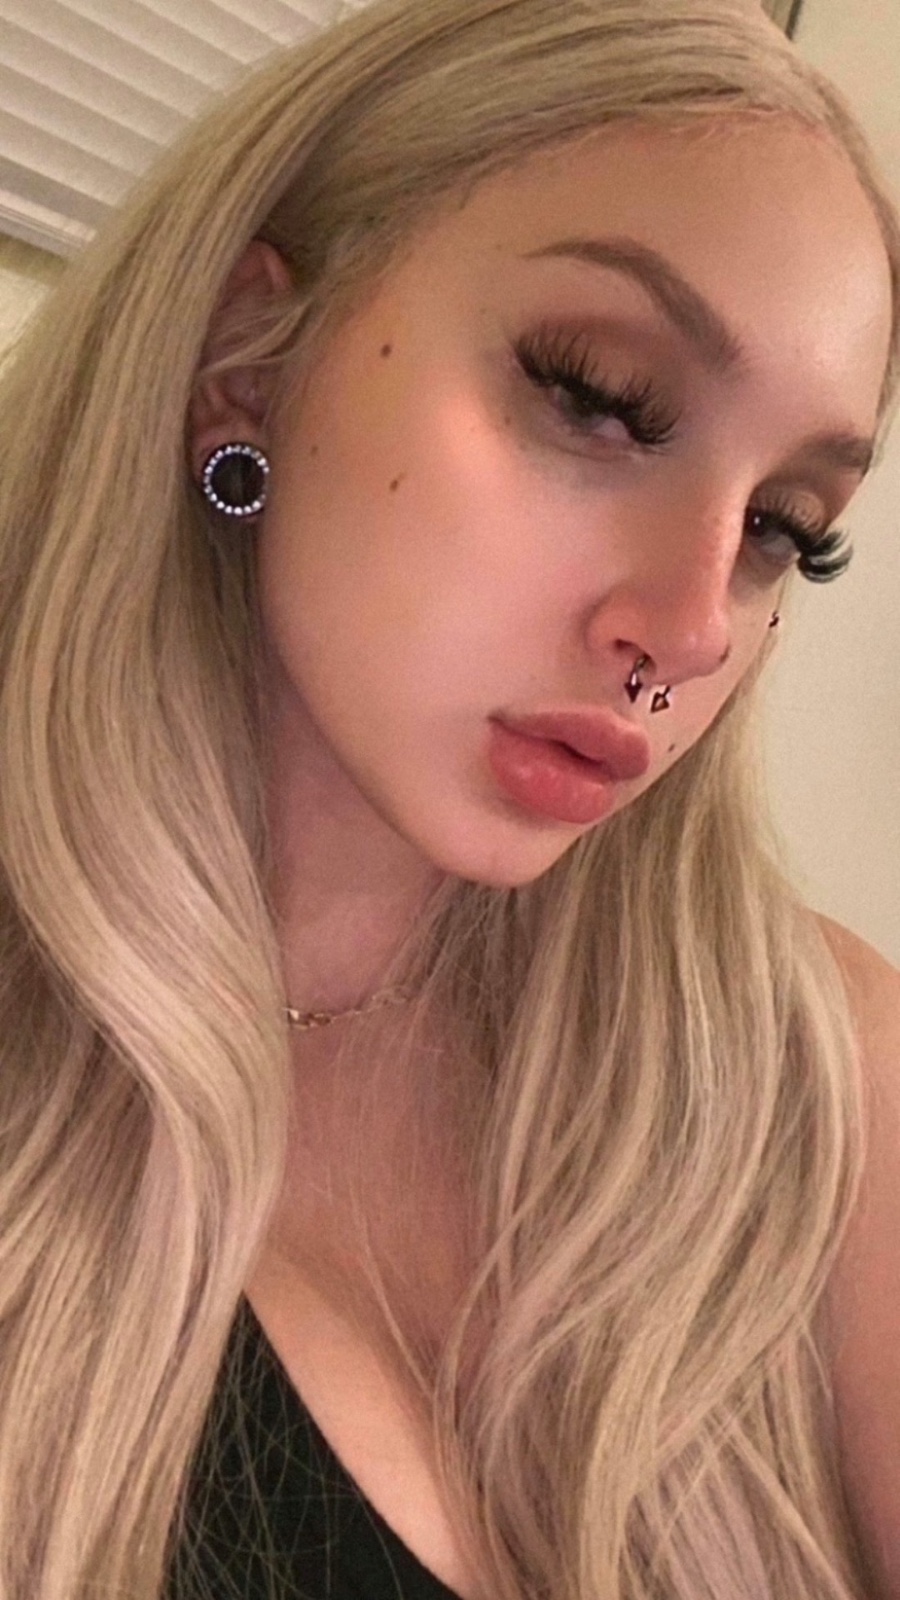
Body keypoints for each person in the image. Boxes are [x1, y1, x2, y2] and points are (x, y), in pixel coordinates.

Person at [0, 0, 898, 1597]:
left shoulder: (812, 1075)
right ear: (247, 360)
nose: (692, 626)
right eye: (600, 398)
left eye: (786, 527)